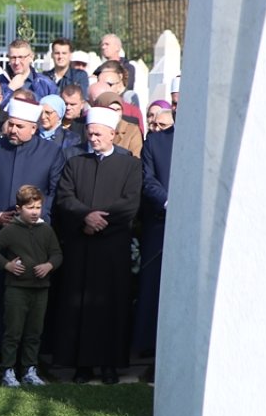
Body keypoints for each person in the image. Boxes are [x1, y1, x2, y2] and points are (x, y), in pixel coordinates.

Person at [0, 98, 65, 381]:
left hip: (34, 239)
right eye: (10, 123)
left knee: (30, 303)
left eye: (19, 126)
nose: (11, 129)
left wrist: (34, 217)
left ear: (33, 128)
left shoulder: (51, 152)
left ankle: (28, 363)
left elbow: (56, 192)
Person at [52, 107, 142, 385]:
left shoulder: (130, 165)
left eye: (99, 134)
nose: (93, 138)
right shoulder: (75, 163)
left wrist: (100, 220)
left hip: (113, 246)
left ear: (113, 135)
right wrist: (84, 218)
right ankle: (82, 365)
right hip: (82, 245)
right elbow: (64, 197)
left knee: (112, 307)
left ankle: (110, 365)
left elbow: (130, 203)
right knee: (79, 306)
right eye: (90, 133)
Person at [0, 184, 62, 388]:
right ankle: (7, 370)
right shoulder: (11, 230)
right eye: (29, 208)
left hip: (40, 289)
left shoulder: (46, 229)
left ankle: (30, 370)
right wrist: (6, 265)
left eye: (37, 208)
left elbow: (57, 253)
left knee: (34, 332)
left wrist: (49, 265)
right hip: (16, 290)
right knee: (13, 332)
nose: (34, 212)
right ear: (18, 209)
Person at [133, 114, 174, 376]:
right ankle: (152, 350)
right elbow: (148, 180)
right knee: (154, 288)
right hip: (161, 223)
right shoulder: (156, 142)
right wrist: (171, 203)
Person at [0, 39, 58, 104]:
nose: (17, 62)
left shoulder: (45, 83)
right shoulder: (0, 81)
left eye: (21, 57)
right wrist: (10, 89)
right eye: (13, 58)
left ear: (31, 57)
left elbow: (56, 110)